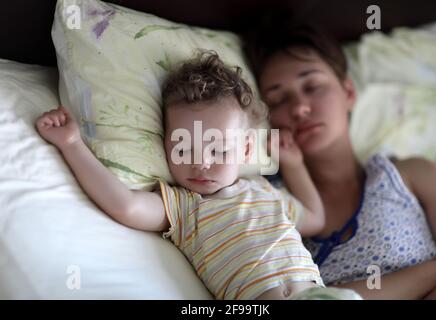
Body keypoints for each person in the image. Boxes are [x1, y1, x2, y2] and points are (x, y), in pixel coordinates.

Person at [35, 51, 361, 300]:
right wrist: (73, 144)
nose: (202, 163)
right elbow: (126, 206)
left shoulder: (265, 191)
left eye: (219, 150)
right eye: (184, 148)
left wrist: (293, 163)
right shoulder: (184, 206)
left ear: (247, 150)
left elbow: (316, 219)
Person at [244, 21, 436, 299]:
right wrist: (432, 271)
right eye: (278, 100)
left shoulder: (411, 175)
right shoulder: (269, 204)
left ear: (349, 93)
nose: (300, 108)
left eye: (313, 86)